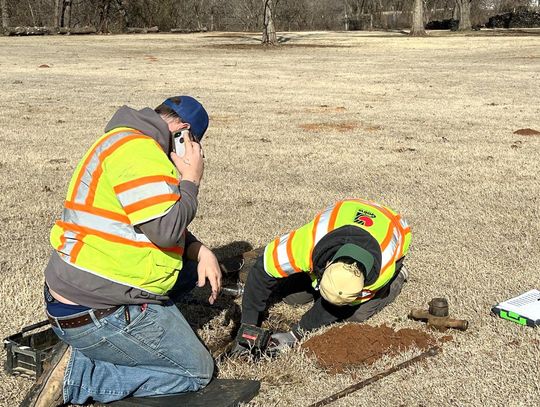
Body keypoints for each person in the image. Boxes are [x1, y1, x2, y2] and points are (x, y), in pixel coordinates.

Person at [22, 96, 222, 407]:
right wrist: (191, 180)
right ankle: (81, 377)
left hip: (75, 293)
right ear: (183, 133)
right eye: (194, 142)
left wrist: (199, 250)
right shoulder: (144, 154)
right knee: (195, 372)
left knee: (185, 274)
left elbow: (149, 216)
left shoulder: (121, 140)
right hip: (97, 311)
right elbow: (166, 229)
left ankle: (98, 347)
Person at [233, 199, 411, 354]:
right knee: (292, 298)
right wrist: (248, 326)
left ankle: (399, 278)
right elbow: (262, 271)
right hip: (349, 211)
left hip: (392, 226)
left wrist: (295, 334)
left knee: (356, 315)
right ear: (326, 265)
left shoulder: (380, 273)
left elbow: (335, 308)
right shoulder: (305, 244)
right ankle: (319, 286)